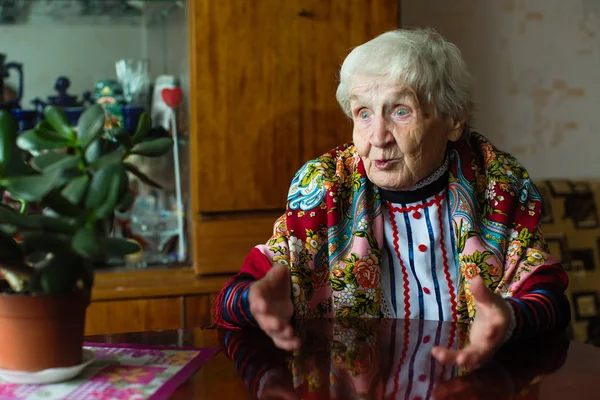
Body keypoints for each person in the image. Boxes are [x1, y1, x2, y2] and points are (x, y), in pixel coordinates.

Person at [213, 27, 571, 369]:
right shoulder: (323, 190)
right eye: (363, 114)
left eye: (400, 111)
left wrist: (510, 319)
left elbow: (549, 298)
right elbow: (234, 298)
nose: (378, 137)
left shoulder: (500, 184)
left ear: (453, 120)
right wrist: (252, 302)